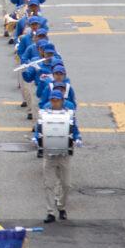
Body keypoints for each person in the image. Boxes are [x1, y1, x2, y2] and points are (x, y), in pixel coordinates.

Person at [34, 89, 81, 222]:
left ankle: (61, 207)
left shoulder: (68, 113)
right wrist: (35, 137)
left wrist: (77, 138)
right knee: (48, 184)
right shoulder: (45, 112)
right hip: (49, 154)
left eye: (57, 100)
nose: (54, 102)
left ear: (62, 100)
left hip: (64, 154)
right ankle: (50, 212)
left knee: (66, 184)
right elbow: (39, 127)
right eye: (52, 100)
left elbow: (74, 128)